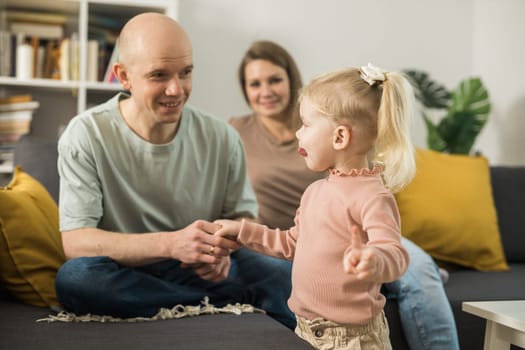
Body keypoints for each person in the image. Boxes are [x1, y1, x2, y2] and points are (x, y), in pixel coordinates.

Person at [53, 13, 295, 329]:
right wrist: (170, 244)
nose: (175, 89)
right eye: (158, 75)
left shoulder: (222, 137)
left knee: (282, 271)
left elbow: (245, 220)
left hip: (204, 268)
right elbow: (76, 242)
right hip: (126, 270)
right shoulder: (85, 134)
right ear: (123, 76)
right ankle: (222, 303)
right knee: (76, 279)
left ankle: (201, 299)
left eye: (185, 72)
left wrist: (221, 248)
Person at [229, 40, 460, 350]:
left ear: (339, 136)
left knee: (419, 268)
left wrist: (375, 259)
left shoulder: (373, 197)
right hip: (308, 330)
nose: (300, 132)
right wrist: (240, 231)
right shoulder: (314, 191)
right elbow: (290, 243)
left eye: (306, 125)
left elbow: (392, 251)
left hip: (354, 339)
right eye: (254, 83)